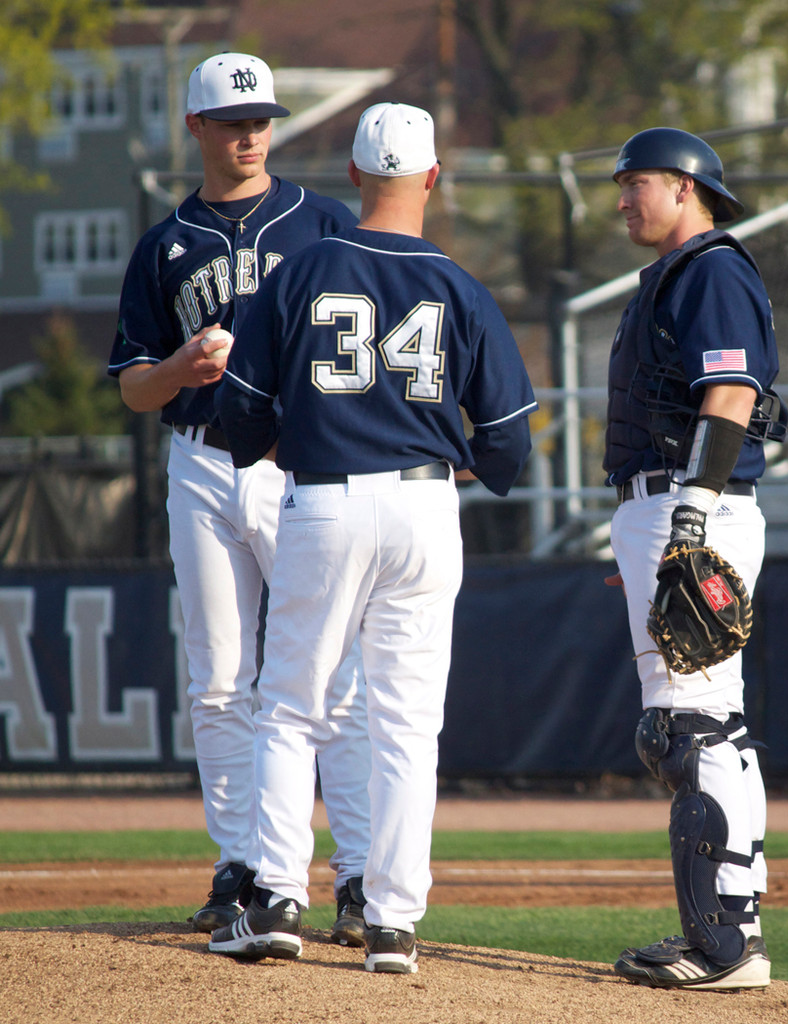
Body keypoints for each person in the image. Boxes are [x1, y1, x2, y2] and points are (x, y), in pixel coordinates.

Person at [208, 101, 536, 973]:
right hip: (425, 510)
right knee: (405, 724)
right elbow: (509, 445)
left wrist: (299, 439)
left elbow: (237, 414)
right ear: (434, 176)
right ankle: (391, 923)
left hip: (323, 499)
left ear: (353, 176)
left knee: (288, 706)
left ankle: (277, 899)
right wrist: (442, 459)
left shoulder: (305, 267)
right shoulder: (460, 285)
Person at [107, 52, 372, 947]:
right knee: (219, 679)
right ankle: (242, 865)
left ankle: (360, 872)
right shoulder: (165, 243)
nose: (251, 133)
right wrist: (179, 368)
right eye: (230, 120)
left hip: (301, 466)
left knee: (326, 680)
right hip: (203, 460)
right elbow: (133, 390)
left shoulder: (324, 224)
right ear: (196, 129)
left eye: (261, 117)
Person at [602, 127, 787, 991]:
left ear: (684, 186)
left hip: (692, 503)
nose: (621, 199)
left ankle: (720, 943)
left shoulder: (711, 267)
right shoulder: (682, 273)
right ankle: (733, 923)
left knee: (689, 728)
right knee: (713, 726)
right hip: (672, 506)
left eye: (634, 182)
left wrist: (687, 514)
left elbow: (730, 392)